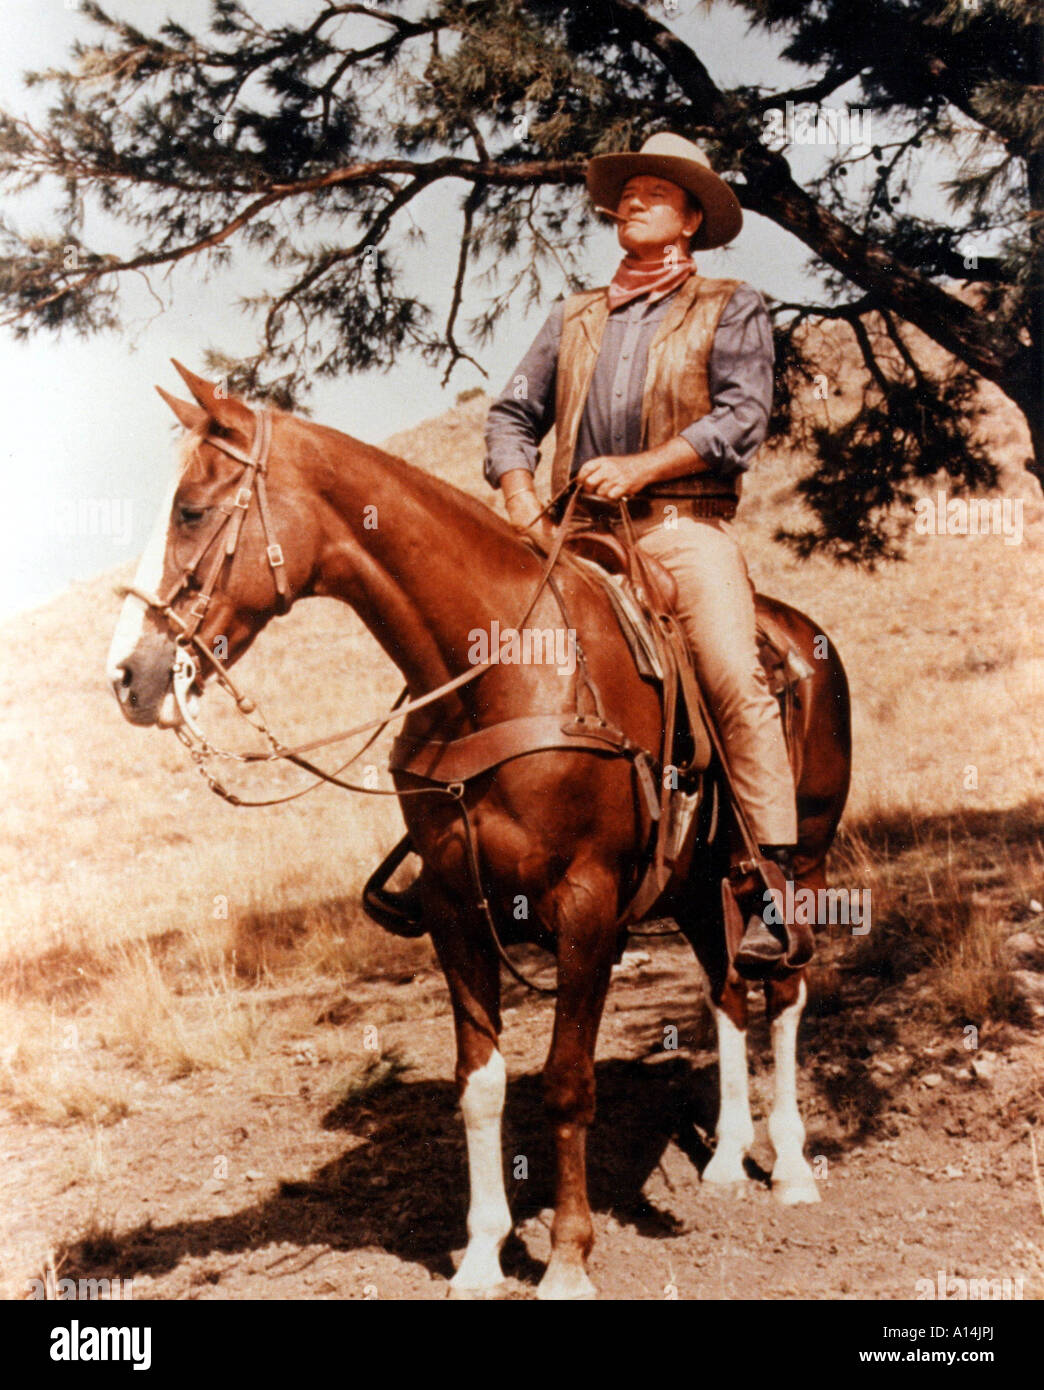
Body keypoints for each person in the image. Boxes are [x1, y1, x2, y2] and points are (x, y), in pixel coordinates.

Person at [483, 132, 797, 972]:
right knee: (476, 649)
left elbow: (739, 419)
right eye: (626, 190)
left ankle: (774, 892)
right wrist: (519, 496)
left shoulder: (731, 305)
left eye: (656, 191)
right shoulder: (573, 316)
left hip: (682, 527)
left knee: (734, 677)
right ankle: (450, 859)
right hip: (570, 534)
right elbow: (512, 415)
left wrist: (644, 466)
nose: (633, 200)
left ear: (693, 217)